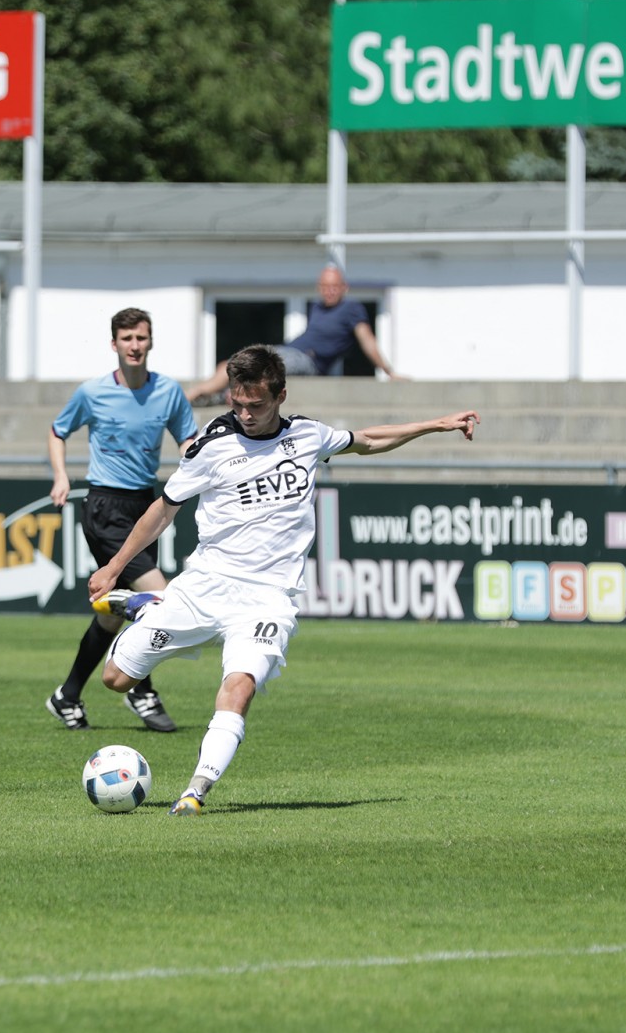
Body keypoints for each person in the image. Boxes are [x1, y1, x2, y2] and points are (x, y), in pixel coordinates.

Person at [89, 344, 477, 815]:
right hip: (205, 586)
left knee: (240, 685)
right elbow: (163, 510)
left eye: (257, 405)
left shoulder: (309, 436)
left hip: (267, 600)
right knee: (115, 679)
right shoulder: (213, 448)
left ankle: (195, 791)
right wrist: (113, 568)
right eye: (238, 403)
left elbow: (368, 440)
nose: (246, 414)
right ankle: (146, 604)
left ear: (280, 396)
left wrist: (435, 424)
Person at [44, 308, 199, 733]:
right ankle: (141, 688)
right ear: (114, 344)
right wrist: (61, 475)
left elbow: (188, 440)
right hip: (104, 509)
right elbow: (58, 431)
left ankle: (68, 694)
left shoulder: (168, 392)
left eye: (141, 338)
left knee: (111, 617)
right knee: (159, 597)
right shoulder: (92, 392)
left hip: (144, 509)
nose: (135, 346)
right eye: (127, 338)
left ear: (151, 342)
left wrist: (197, 460)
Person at [184, 265, 405, 403]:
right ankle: (220, 395)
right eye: (325, 286)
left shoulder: (351, 308)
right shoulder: (318, 307)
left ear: (344, 287)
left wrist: (388, 372)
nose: (329, 291)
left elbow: (367, 340)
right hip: (291, 350)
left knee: (243, 365)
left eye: (335, 286)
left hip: (307, 360)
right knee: (229, 364)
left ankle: (195, 393)